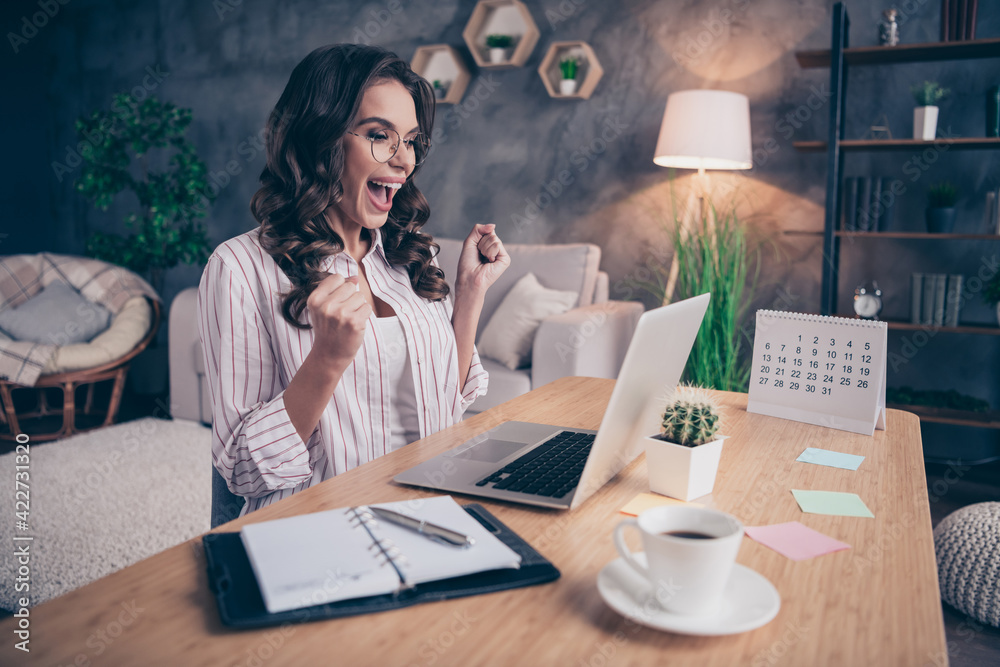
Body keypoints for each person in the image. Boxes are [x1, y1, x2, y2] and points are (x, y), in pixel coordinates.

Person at [197, 44, 510, 515]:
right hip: (319, 529)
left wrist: (468, 298)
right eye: (380, 135)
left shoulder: (408, 259)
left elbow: (446, 418)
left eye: (411, 141)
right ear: (319, 137)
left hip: (430, 511)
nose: (404, 160)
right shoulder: (240, 268)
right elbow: (242, 471)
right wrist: (325, 361)